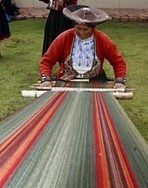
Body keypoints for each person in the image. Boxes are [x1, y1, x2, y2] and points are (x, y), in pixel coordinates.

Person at [39, 5, 127, 89]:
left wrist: (119, 80)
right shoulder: (64, 37)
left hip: (96, 81)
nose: (81, 32)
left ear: (92, 28)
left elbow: (118, 61)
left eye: (85, 29)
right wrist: (46, 78)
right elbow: (47, 60)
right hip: (66, 80)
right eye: (78, 28)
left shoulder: (102, 39)